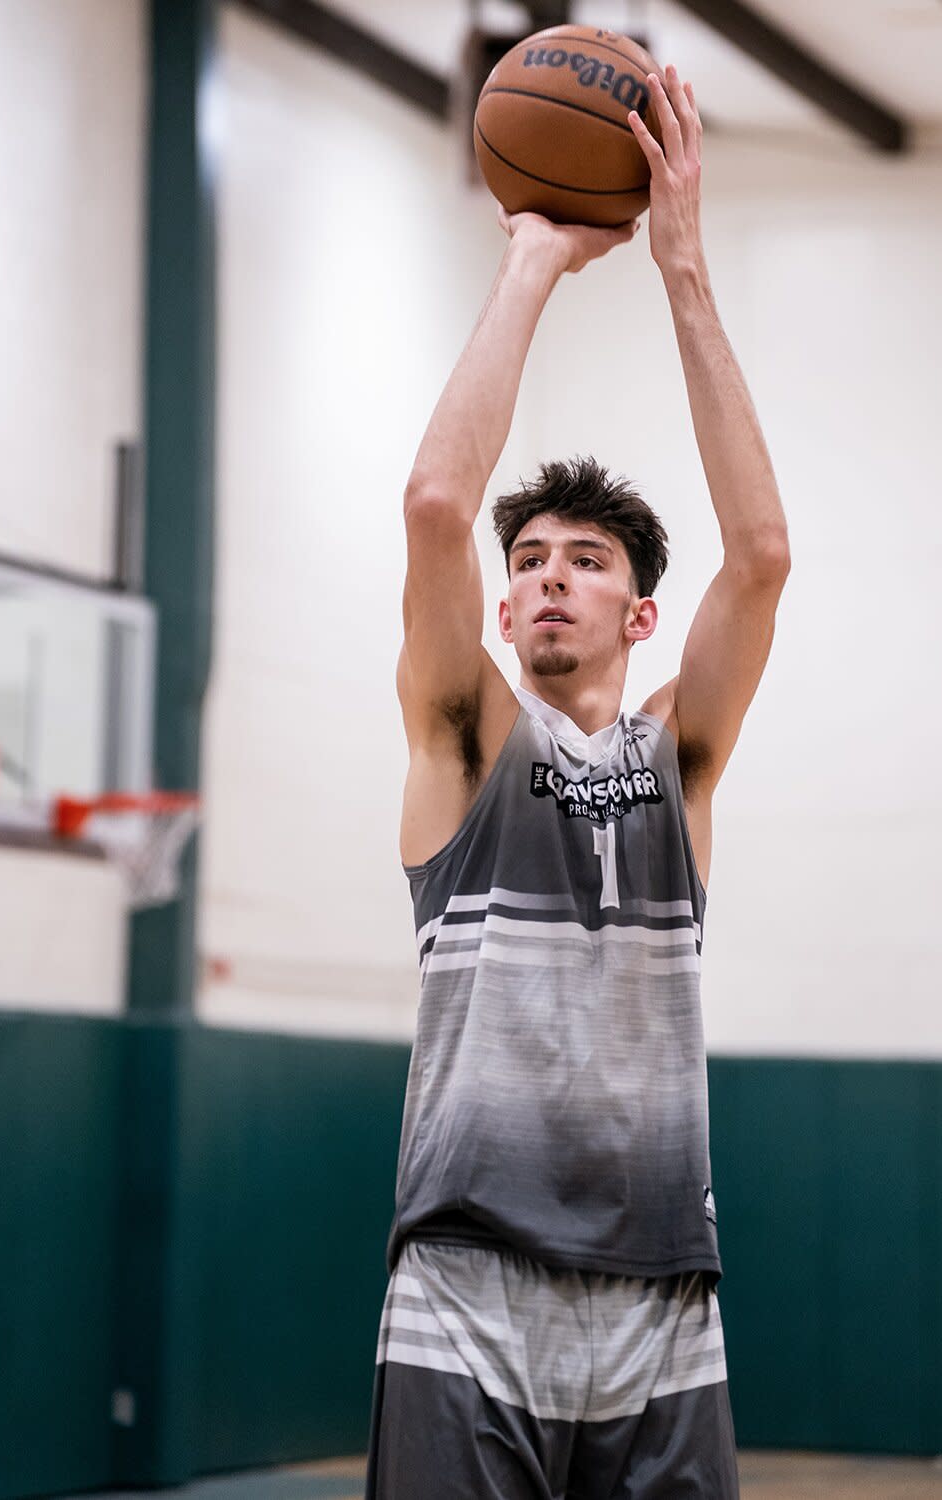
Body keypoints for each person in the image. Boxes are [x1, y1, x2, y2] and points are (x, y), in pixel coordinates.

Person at [366, 65, 789, 1499]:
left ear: (637, 617)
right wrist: (535, 259)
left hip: (666, 1296)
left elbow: (766, 557)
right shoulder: (468, 744)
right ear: (502, 616)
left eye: (585, 560)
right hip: (468, 1291)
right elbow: (436, 505)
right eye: (530, 561)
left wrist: (682, 270)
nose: (549, 576)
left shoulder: (681, 761)